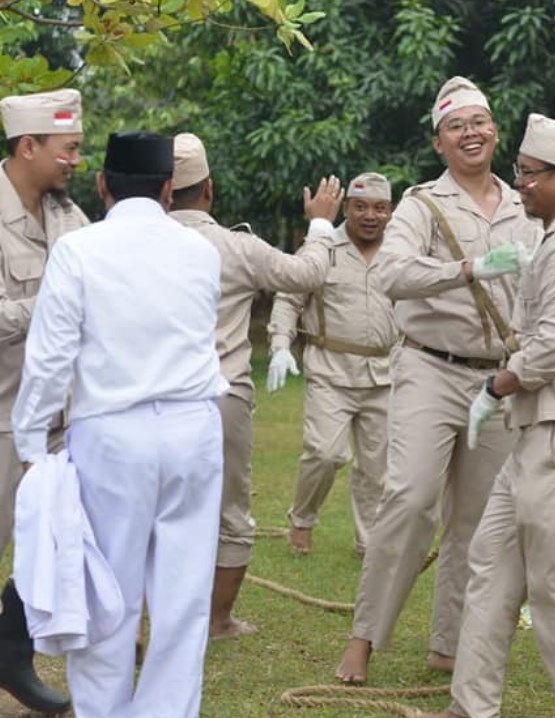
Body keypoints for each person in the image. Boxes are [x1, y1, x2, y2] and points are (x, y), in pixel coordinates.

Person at [12, 131, 229, 718]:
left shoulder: (81, 250)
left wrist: (33, 446)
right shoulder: (201, 251)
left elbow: (51, 358)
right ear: (167, 189)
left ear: (103, 185)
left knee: (106, 598)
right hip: (194, 430)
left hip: (114, 434)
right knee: (184, 601)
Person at [423, 112, 555, 718]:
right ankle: (471, 704)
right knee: (490, 562)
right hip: (544, 420)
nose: (521, 186)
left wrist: (495, 386)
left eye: (530, 175)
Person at [336, 76, 539, 682]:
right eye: (457, 126)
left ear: (495, 131)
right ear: (438, 142)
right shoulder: (423, 205)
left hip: (497, 378)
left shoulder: (525, 205)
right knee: (410, 498)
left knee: (477, 520)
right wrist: (469, 268)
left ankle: (448, 644)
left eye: (480, 122)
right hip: (429, 365)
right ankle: (364, 637)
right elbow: (393, 274)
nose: (471, 133)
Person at [168, 132, 346, 637]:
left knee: (153, 504)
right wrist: (319, 221)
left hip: (152, 397)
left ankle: (148, 615)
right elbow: (308, 273)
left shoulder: (137, 246)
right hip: (221, 394)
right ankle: (218, 619)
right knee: (231, 508)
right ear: (209, 190)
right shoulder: (235, 246)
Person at [0, 88, 88, 714]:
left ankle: (11, 656)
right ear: (28, 146)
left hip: (57, 416)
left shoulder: (68, 215)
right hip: (0, 414)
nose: (75, 161)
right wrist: (55, 304)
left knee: (45, 545)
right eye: (68, 150)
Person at [267, 172, 400, 557]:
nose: (370, 216)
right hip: (331, 370)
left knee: (378, 467)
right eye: (360, 207)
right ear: (346, 209)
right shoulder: (322, 246)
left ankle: (369, 543)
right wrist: (279, 345)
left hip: (385, 373)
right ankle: (303, 518)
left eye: (379, 208)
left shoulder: (400, 251)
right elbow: (289, 297)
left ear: (390, 211)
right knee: (325, 453)